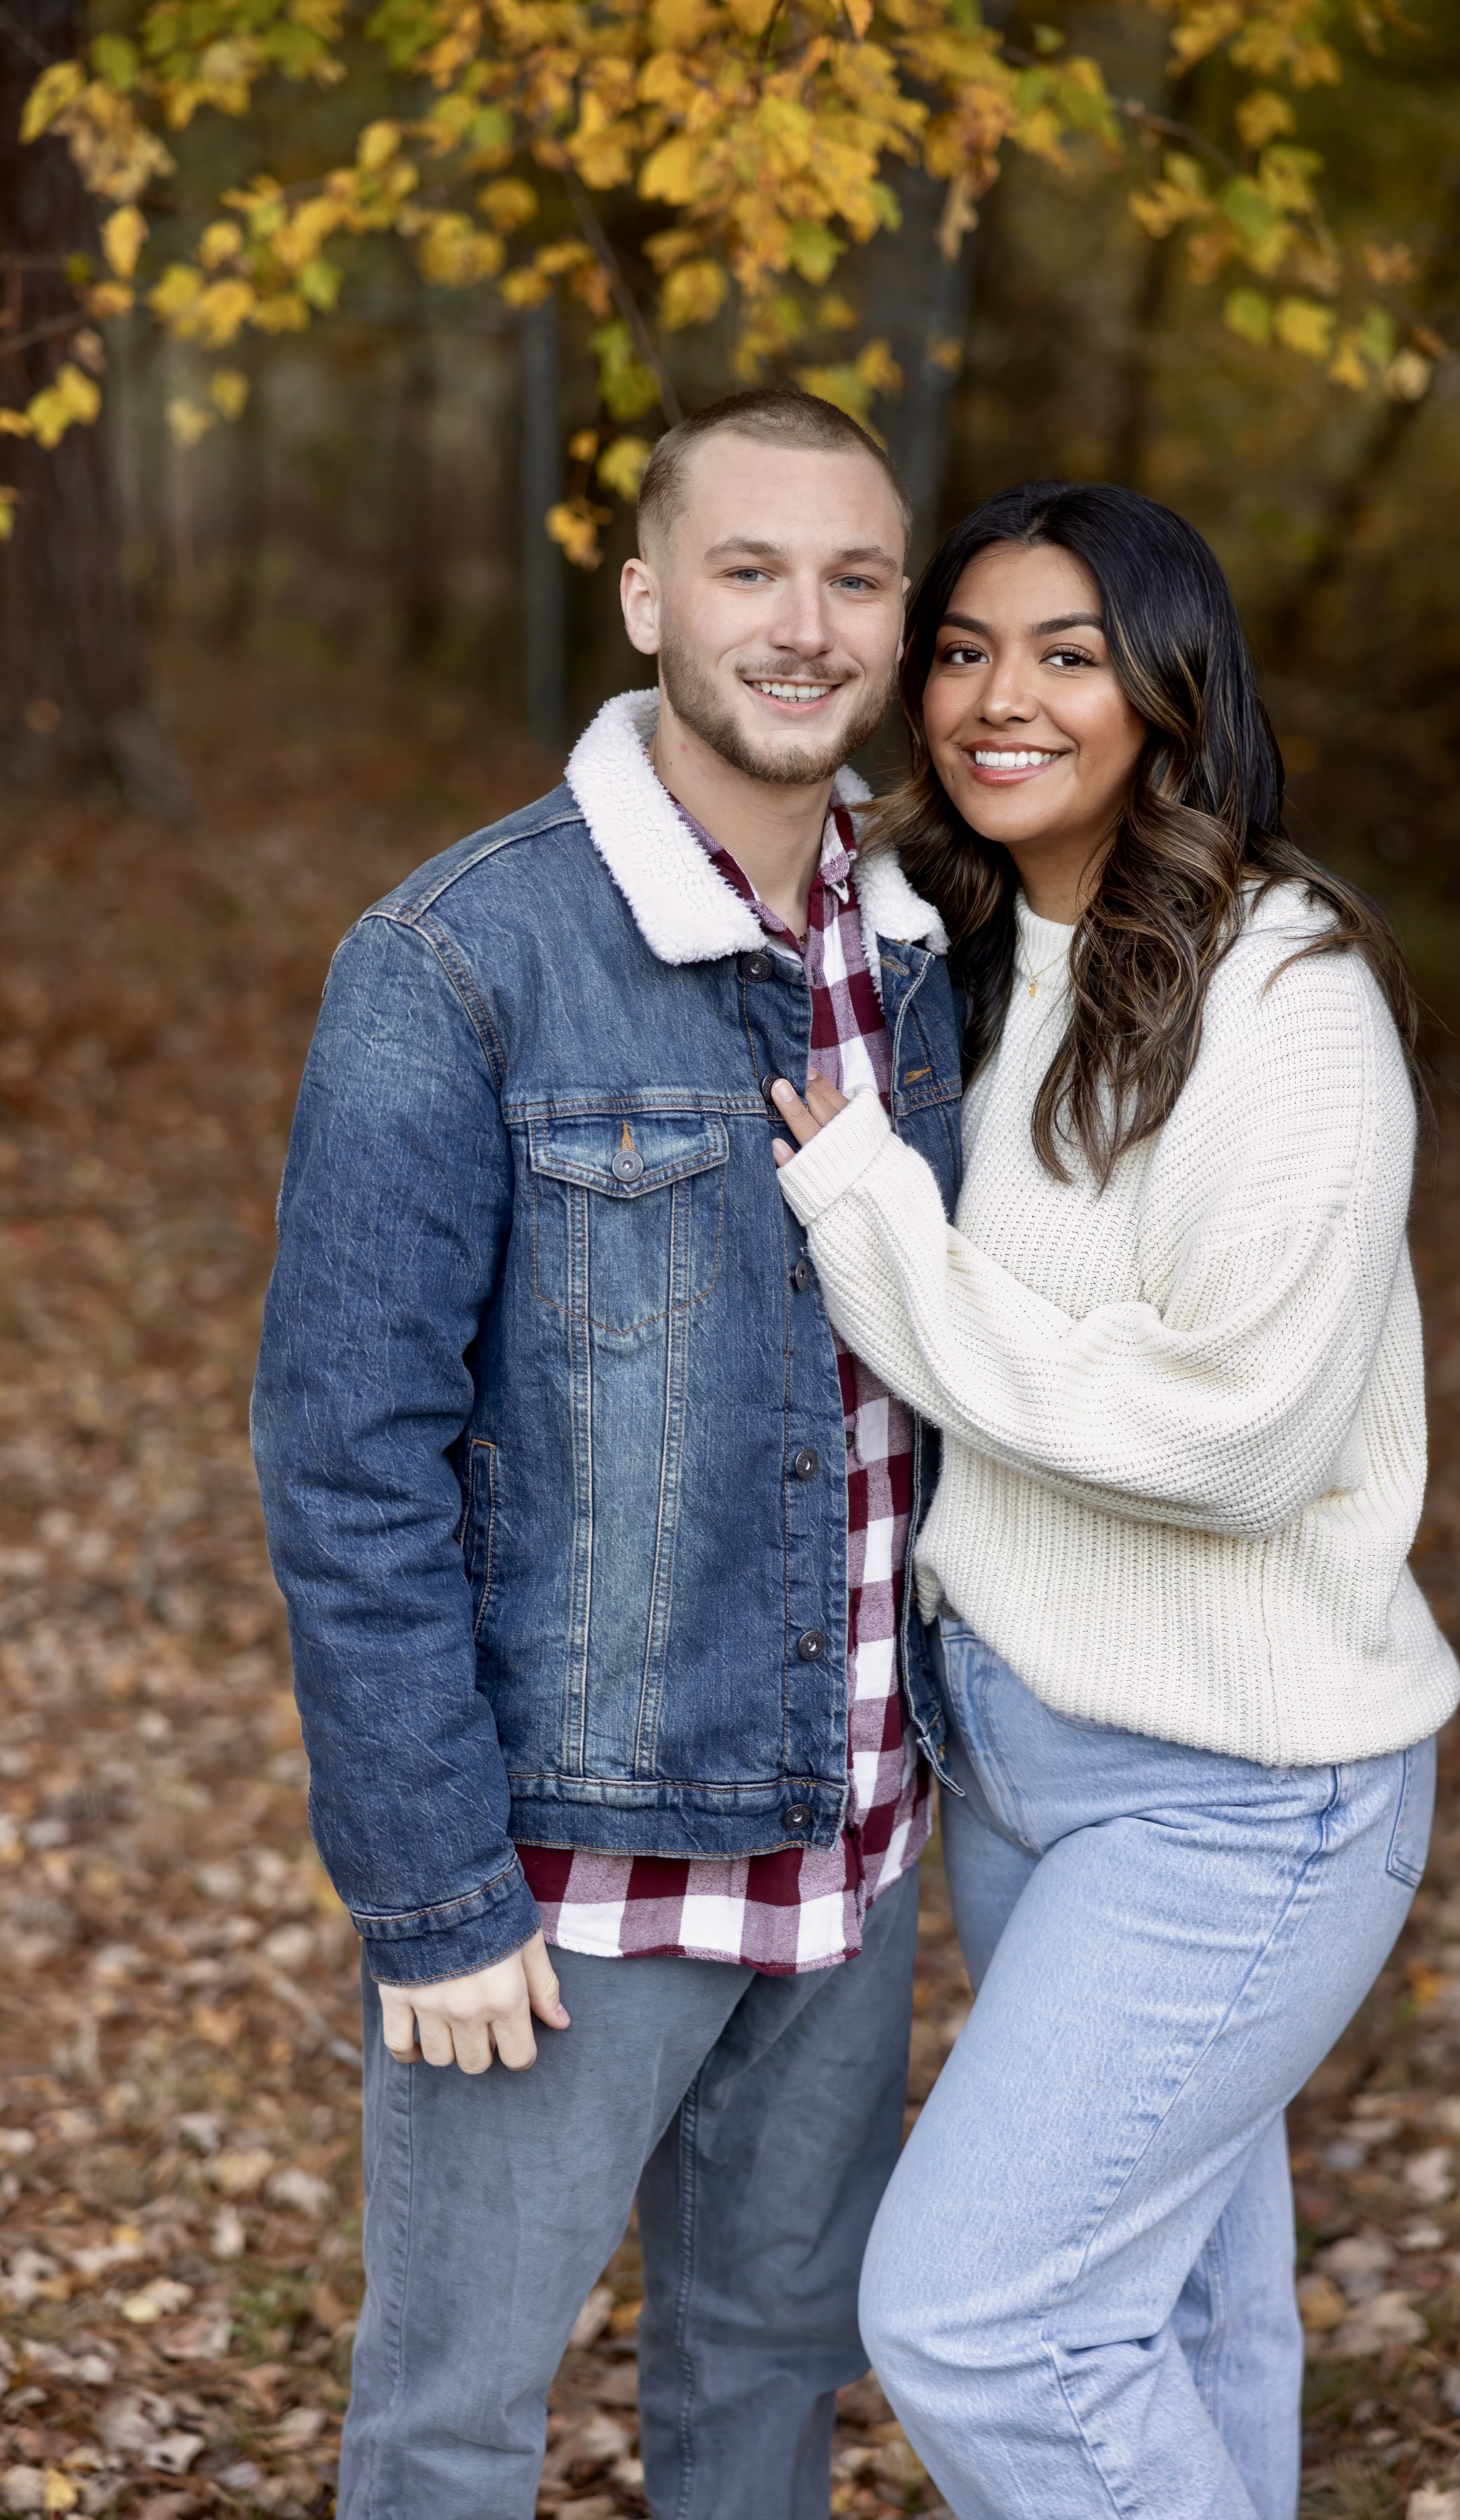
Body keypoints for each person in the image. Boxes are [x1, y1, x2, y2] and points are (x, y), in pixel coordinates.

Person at [249, 388, 963, 2520]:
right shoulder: (458, 959)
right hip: (572, 1878)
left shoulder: (920, 957)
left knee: (760, 2378)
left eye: (851, 576)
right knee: (459, 2418)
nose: (803, 622)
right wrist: (431, 1893)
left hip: (854, 1837)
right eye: (749, 568)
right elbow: (343, 1459)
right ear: (648, 594)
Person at [767, 478, 1460, 2520]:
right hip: (1022, 1763)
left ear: (1167, 693)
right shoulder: (968, 957)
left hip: (1237, 1791)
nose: (1001, 697)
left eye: (1067, 655)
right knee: (1170, 2317)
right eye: (967, 649)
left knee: (984, 2317)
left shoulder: (1286, 995)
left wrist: (872, 1234)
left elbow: (1234, 1430)